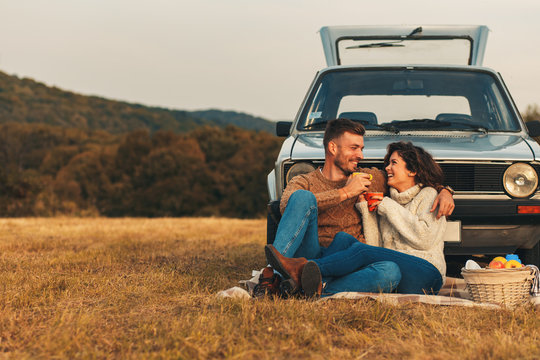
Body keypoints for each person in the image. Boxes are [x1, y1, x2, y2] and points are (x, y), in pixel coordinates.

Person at [253, 118, 454, 297]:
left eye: (361, 149)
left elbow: (414, 178)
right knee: (303, 198)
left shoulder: (368, 178)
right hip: (313, 251)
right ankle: (273, 275)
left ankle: (308, 285)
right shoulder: (304, 181)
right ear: (333, 148)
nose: (360, 155)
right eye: (354, 148)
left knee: (385, 269)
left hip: (349, 262)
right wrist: (345, 193)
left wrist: (444, 190)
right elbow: (286, 207)